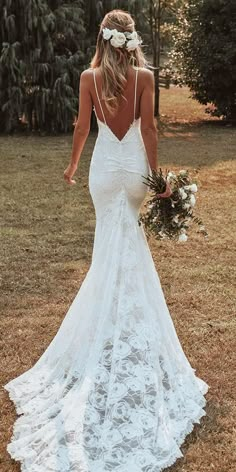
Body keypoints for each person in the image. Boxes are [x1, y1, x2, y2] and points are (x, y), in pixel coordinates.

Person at [4, 9, 209, 472]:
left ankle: (107, 327)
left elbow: (82, 128)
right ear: (131, 39)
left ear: (102, 38)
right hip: (134, 171)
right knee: (128, 246)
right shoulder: (144, 76)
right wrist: (157, 179)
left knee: (107, 252)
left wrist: (74, 166)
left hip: (103, 171)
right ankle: (123, 325)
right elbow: (150, 129)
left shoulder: (87, 77)